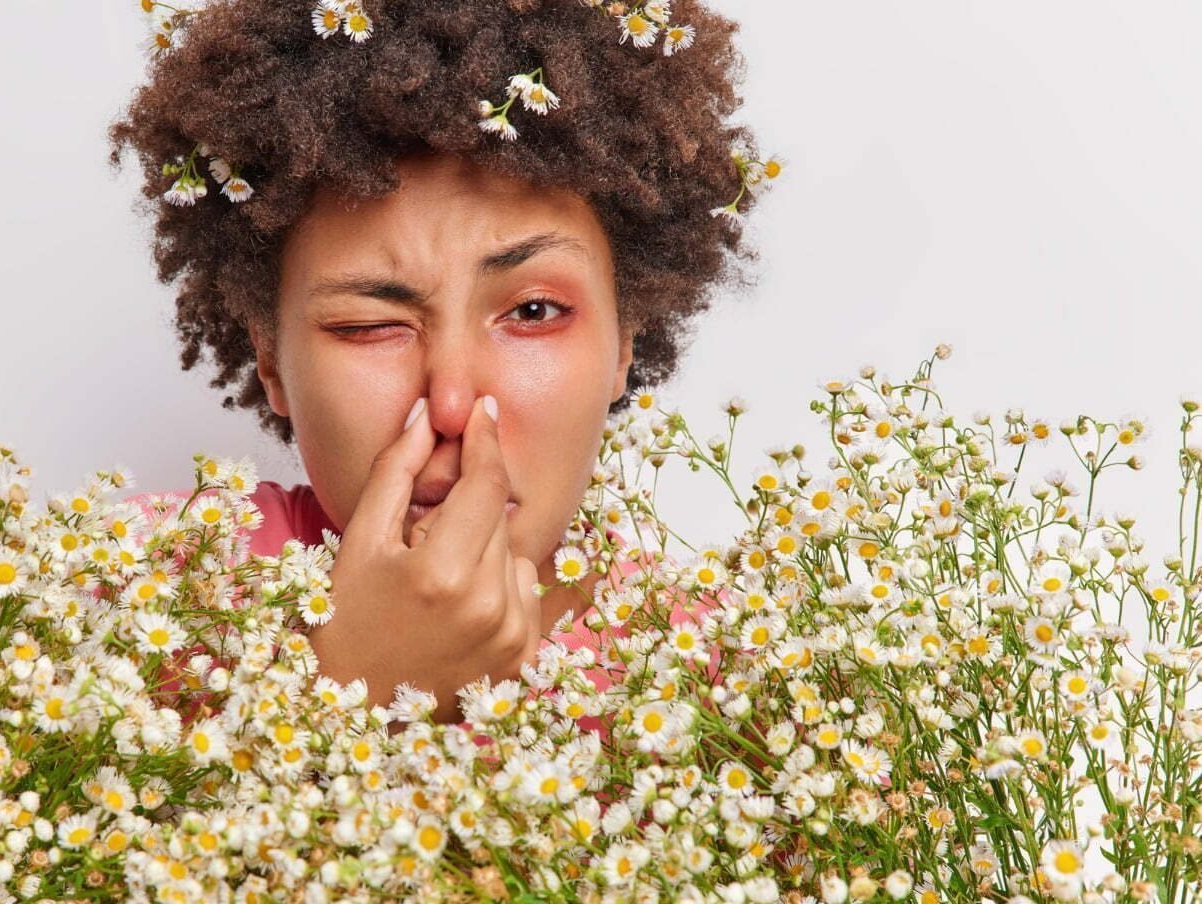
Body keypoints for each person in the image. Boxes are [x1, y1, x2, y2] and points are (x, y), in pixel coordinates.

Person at [108, 0, 765, 727]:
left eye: (534, 311)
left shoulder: (735, 678)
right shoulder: (131, 586)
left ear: (624, 343)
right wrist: (358, 692)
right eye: (369, 326)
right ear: (270, 359)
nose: (452, 405)